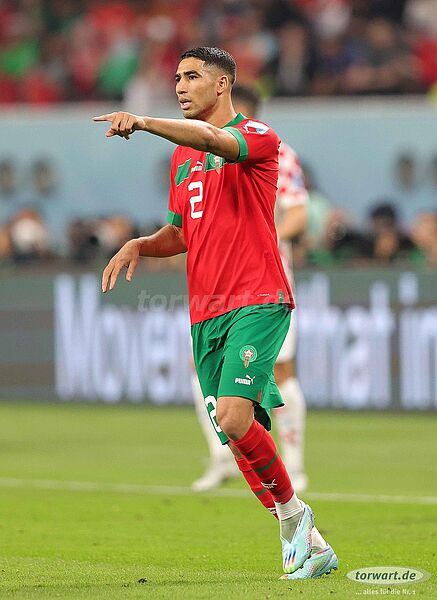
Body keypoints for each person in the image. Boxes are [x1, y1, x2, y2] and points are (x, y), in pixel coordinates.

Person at [94, 46, 337, 580]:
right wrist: (141, 244)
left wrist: (145, 123)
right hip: (205, 310)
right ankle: (309, 539)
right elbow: (181, 232)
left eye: (192, 76)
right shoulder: (182, 159)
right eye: (177, 78)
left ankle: (295, 518)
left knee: (231, 416)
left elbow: (213, 139)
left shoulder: (258, 136)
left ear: (223, 84)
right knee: (236, 433)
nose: (180, 86)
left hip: (258, 297)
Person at [191, 84, 309, 495]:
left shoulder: (277, 151)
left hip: (263, 282)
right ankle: (222, 457)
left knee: (281, 371)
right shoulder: (199, 158)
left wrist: (260, 238)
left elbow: (298, 213)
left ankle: (294, 463)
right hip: (217, 285)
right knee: (201, 369)